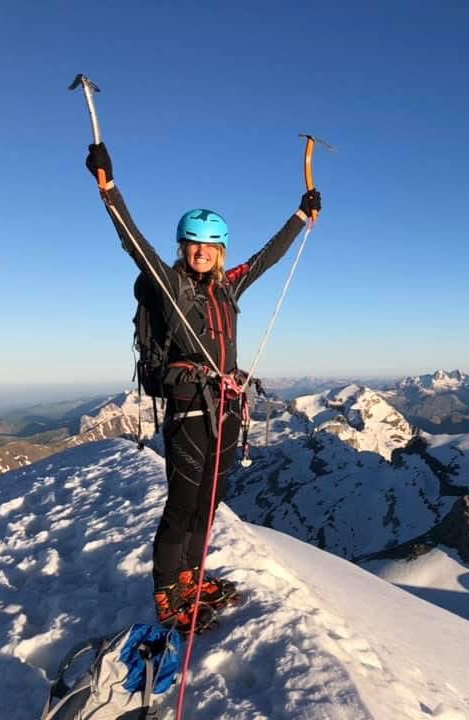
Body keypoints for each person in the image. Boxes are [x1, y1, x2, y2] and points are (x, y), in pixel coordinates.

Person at [85, 142, 321, 630]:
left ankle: (191, 578)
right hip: (189, 408)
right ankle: (167, 592)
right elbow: (135, 244)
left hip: (227, 408)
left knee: (209, 501)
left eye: (210, 246)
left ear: (220, 251)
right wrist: (109, 189)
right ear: (183, 246)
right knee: (183, 503)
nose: (201, 252)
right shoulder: (172, 286)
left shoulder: (228, 286)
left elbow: (267, 258)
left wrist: (301, 215)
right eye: (193, 244)